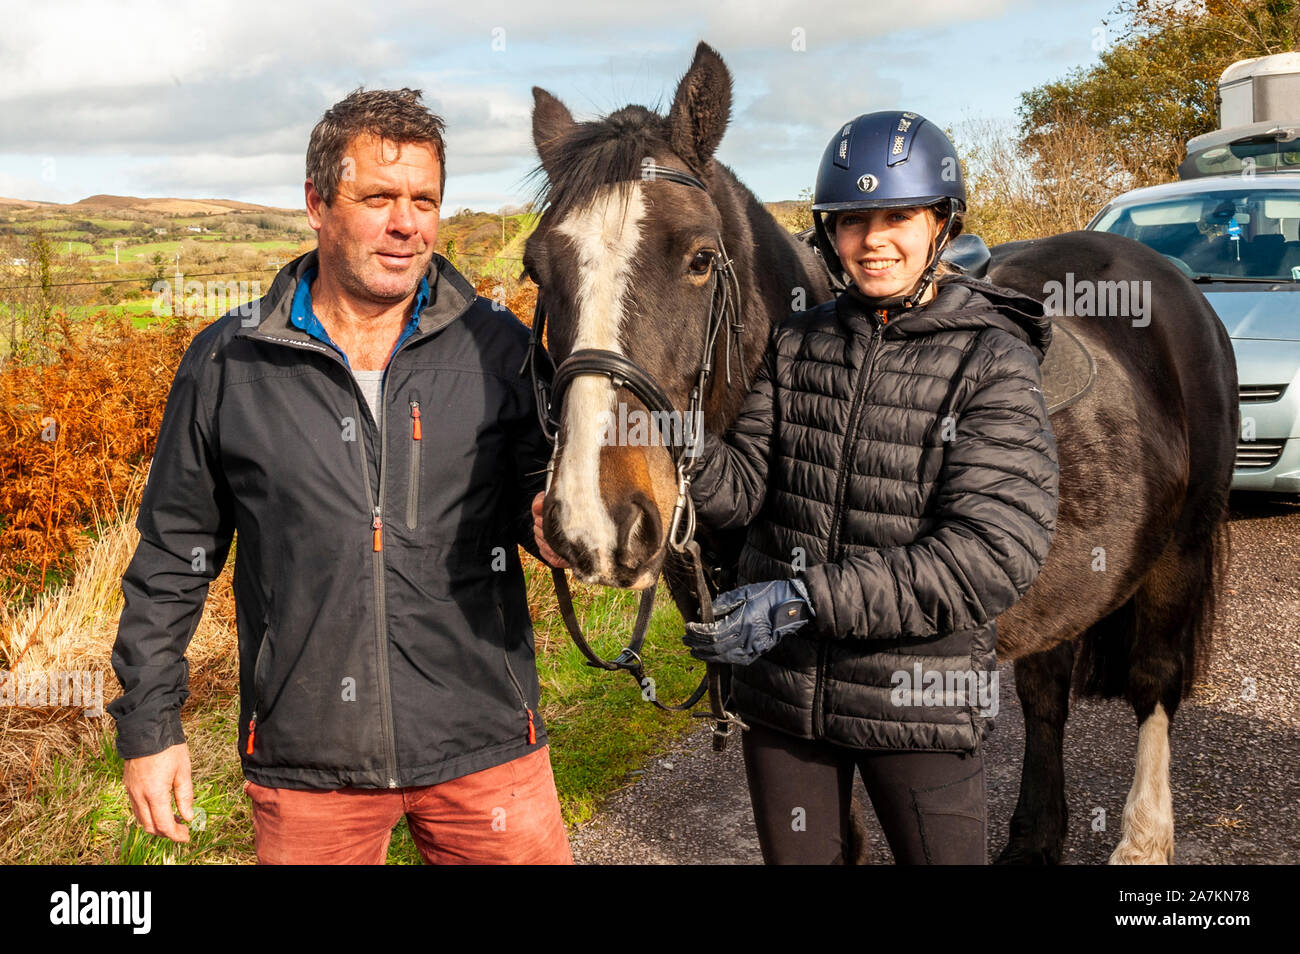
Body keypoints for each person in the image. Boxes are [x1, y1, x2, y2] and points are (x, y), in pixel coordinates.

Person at [108, 88, 572, 865]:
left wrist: (555, 521)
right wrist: (149, 729)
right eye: (379, 197)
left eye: (425, 199)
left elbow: (540, 491)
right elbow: (170, 557)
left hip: (488, 747)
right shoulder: (229, 361)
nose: (407, 223)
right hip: (308, 761)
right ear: (317, 204)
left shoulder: (498, 347)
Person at [677, 111, 1060, 864]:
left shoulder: (991, 363)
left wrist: (801, 599)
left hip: (915, 701)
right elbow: (743, 489)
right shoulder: (800, 342)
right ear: (829, 232)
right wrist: (676, 435)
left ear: (941, 225)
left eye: (898, 216)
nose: (873, 240)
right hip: (786, 700)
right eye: (853, 220)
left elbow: (987, 556)